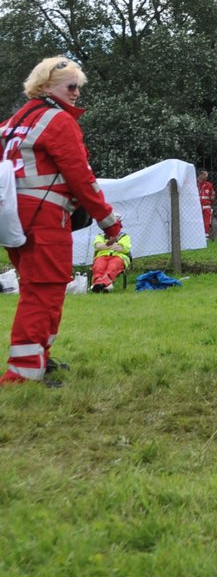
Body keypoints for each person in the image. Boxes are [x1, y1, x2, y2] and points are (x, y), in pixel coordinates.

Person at [1, 57, 124, 386]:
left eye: (79, 87)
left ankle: (39, 358)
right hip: (44, 217)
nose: (77, 93)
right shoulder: (56, 121)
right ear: (45, 86)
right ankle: (23, 373)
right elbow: (81, 177)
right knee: (44, 291)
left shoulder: (12, 122)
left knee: (37, 287)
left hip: (14, 217)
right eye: (71, 86)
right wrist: (110, 222)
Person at [197, 169, 215, 238]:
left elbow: (212, 196)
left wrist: (212, 198)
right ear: (200, 175)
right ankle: (197, 236)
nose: (207, 176)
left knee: (207, 222)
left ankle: (205, 236)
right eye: (205, 174)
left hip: (206, 206)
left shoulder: (209, 185)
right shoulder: (194, 184)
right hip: (196, 206)